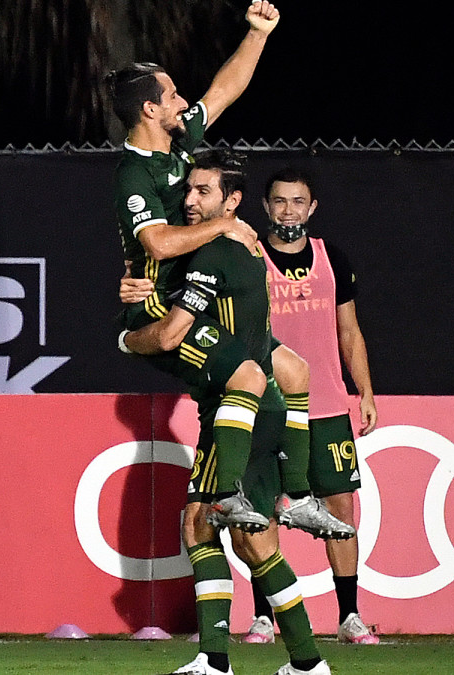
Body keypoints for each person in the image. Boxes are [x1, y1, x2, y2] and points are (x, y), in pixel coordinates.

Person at [107, 2, 350, 540]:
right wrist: (223, 226)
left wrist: (258, 34)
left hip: (198, 298)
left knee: (295, 372)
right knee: (247, 376)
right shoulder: (134, 175)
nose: (184, 101)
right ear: (149, 109)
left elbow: (224, 91)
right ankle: (225, 495)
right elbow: (157, 243)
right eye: (173, 95)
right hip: (161, 305)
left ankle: (297, 498)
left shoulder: (178, 145)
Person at [121, 151, 331, 675]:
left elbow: (169, 335)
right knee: (252, 544)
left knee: (201, 526)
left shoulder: (216, 254)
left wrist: (126, 337)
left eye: (204, 192)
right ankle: (306, 664)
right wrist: (141, 283)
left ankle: (216, 661)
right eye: (188, 190)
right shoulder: (240, 249)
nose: (190, 201)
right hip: (260, 410)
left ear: (232, 201)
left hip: (238, 414)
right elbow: (291, 365)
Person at [240, 168, 380, 645]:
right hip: (267, 406)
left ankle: (350, 616)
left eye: (298, 201)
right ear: (265, 206)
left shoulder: (331, 258)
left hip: (325, 407)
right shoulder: (250, 258)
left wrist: (364, 391)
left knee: (340, 506)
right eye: (279, 201)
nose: (288, 211)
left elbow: (349, 332)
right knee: (260, 508)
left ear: (312, 207)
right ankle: (263, 616)